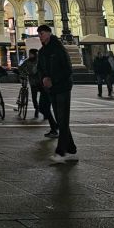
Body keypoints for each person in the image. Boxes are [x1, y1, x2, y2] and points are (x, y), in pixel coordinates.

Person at [37, 24, 77, 163]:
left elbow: (67, 69)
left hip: (63, 87)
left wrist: (52, 79)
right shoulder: (42, 51)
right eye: (39, 34)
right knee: (61, 119)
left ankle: (61, 152)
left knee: (63, 119)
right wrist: (44, 79)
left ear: (49, 33)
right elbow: (40, 69)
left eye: (42, 33)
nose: (40, 36)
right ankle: (71, 148)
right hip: (51, 89)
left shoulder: (59, 49)